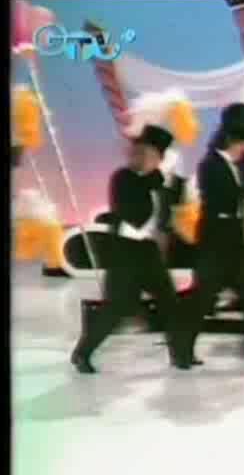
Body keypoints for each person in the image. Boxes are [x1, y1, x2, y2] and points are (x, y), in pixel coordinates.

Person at [71, 125, 188, 373]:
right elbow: (135, 215)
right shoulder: (123, 178)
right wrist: (158, 177)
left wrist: (173, 182)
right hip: (124, 251)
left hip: (148, 251)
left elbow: (169, 213)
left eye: (149, 154)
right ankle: (82, 353)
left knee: (170, 302)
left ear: (159, 157)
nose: (141, 157)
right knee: (117, 307)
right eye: (139, 152)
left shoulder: (160, 183)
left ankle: (180, 355)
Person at [186, 103, 244, 365]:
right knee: (203, 297)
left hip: (234, 235)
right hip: (215, 236)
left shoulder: (241, 166)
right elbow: (223, 197)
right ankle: (182, 349)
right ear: (236, 139)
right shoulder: (210, 164)